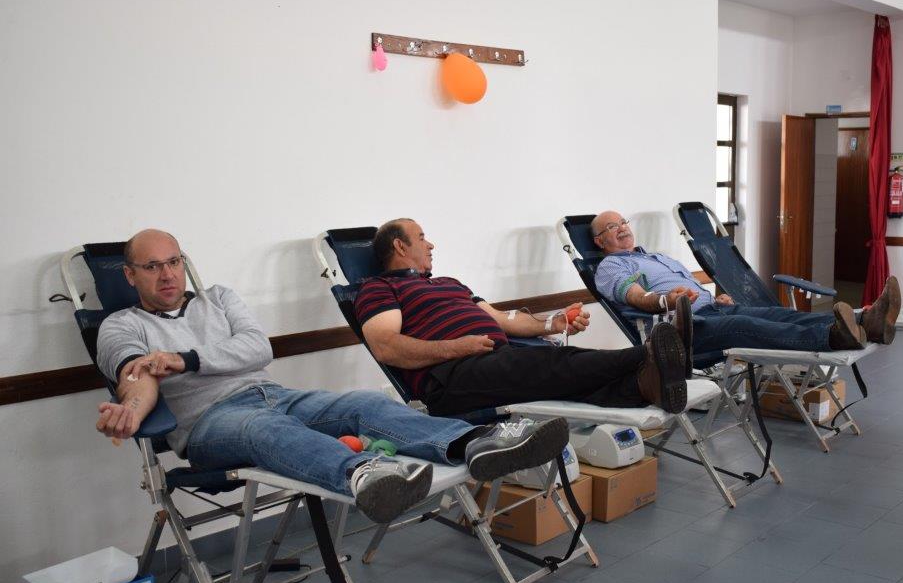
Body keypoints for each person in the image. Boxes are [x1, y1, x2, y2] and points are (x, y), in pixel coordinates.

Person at [94, 229, 570, 524]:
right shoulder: (120, 326)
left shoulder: (218, 298)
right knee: (265, 430)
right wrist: (131, 411)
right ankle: (367, 475)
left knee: (364, 403)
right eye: (151, 267)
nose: (167, 274)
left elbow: (258, 348)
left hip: (272, 394)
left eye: (174, 262)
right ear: (130, 276)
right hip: (209, 424)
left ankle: (477, 441)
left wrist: (185, 359)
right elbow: (137, 376)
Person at [354, 218, 694, 417]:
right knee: (552, 363)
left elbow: (502, 319)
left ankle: (643, 387)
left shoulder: (449, 283)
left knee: (560, 379)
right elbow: (386, 347)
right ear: (400, 247)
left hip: (493, 360)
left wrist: (552, 323)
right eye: (422, 238)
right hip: (450, 377)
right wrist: (456, 347)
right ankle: (649, 354)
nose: (431, 245)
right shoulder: (379, 288)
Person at [590, 211, 901, 364]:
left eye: (623, 222)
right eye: (612, 227)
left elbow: (689, 287)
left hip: (712, 310)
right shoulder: (611, 267)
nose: (622, 228)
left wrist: (715, 297)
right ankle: (833, 337)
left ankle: (866, 322)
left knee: (777, 314)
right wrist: (665, 301)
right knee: (744, 325)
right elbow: (637, 297)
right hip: (680, 329)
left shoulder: (656, 257)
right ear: (599, 241)